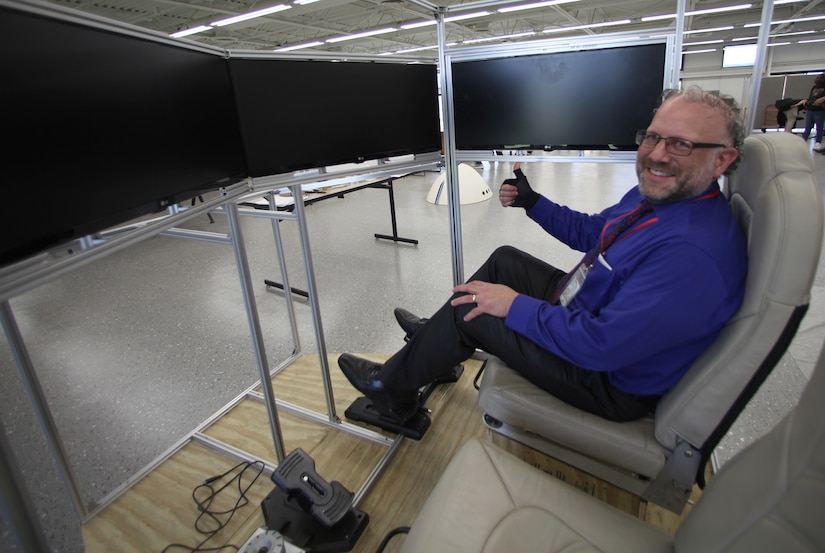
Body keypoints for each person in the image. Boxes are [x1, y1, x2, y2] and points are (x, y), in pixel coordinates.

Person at [338, 86, 748, 424]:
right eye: (654, 137)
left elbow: (602, 346)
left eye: (680, 144)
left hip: (603, 377)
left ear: (722, 159)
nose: (657, 154)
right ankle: (437, 348)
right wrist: (534, 203)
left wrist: (514, 305)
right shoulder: (662, 198)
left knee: (471, 311)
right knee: (504, 259)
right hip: (584, 305)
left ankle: (392, 391)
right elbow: (595, 233)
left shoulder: (691, 253)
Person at [793, 72, 825, 152]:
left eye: (819, 78)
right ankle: (803, 141)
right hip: (810, 109)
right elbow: (811, 97)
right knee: (808, 127)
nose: (817, 79)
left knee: (819, 127)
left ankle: (818, 143)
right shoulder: (814, 87)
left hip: (820, 110)